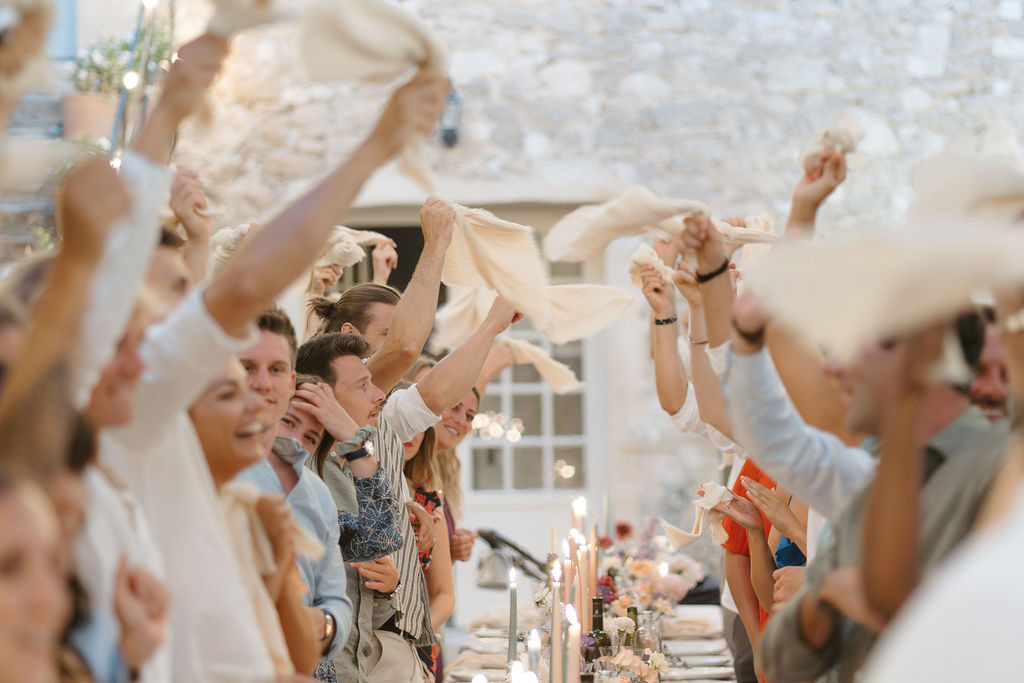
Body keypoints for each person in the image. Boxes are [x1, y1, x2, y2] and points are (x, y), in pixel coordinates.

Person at [97, 50, 448, 679]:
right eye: (236, 381)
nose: (257, 393)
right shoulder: (151, 444)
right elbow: (132, 254)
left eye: (275, 374)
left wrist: (327, 622)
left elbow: (325, 607)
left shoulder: (298, 486)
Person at [296, 295, 519, 681]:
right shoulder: (302, 473)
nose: (380, 393)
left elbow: (377, 541)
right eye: (365, 384)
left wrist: (391, 586)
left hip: (362, 658)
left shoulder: (341, 465)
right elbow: (410, 353)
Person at [235, 309, 355, 680]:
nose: (262, 383)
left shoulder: (318, 493)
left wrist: (324, 624)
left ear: (290, 381)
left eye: (275, 370)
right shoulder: (208, 466)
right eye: (246, 367)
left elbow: (336, 596)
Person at [188, 360, 320, 675]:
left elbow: (303, 660)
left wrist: (282, 556)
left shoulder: (250, 509)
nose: (254, 406)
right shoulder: (175, 515)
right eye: (226, 396)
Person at [400, 391, 455, 682]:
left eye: (418, 423)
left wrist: (417, 635)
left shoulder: (429, 501)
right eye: (403, 421)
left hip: (417, 644)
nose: (411, 432)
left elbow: (445, 593)